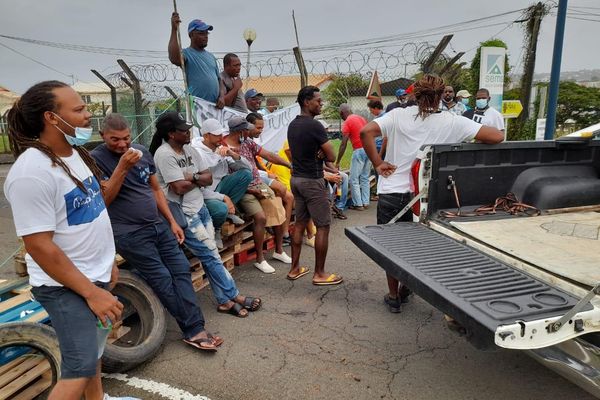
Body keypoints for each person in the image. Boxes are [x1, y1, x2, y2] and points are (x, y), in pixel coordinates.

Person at [4, 81, 138, 400]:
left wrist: (107, 266)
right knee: (78, 367)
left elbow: (94, 211)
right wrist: (91, 292)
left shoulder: (75, 154)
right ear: (51, 117)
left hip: (95, 276)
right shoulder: (31, 173)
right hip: (65, 287)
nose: (87, 114)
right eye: (78, 109)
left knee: (93, 351)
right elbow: (39, 246)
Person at [360, 75, 504, 313]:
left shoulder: (397, 115)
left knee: (391, 247)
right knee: (420, 248)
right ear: (442, 96)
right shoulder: (453, 121)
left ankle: (394, 295)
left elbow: (366, 132)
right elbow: (497, 137)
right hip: (427, 196)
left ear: (415, 94)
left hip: (393, 191)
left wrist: (378, 163)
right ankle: (410, 285)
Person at [91, 113, 223, 351]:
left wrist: (171, 221)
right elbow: (103, 200)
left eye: (126, 138)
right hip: (129, 233)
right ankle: (194, 329)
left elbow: (154, 189)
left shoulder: (141, 151)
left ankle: (195, 325)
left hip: (158, 224)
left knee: (181, 270)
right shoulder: (95, 159)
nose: (122, 144)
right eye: (114, 140)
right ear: (103, 136)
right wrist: (122, 167)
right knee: (162, 279)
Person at [145, 112, 262, 317]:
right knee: (210, 254)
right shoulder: (164, 154)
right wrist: (197, 179)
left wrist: (194, 177)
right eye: (183, 129)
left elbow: (207, 178)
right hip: (184, 213)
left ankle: (225, 299)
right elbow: (179, 188)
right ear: (172, 134)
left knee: (212, 256)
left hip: (200, 207)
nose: (189, 132)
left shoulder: (189, 150)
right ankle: (232, 295)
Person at [287, 85, 343, 285]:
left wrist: (319, 151)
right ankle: (320, 273)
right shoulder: (314, 126)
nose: (321, 104)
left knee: (300, 224)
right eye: (318, 101)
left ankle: (294, 269)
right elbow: (331, 155)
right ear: (306, 102)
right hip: (312, 181)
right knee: (323, 226)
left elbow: (297, 152)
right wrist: (321, 151)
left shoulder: (293, 125)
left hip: (297, 180)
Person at [223, 116, 292, 273]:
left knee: (278, 207)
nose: (250, 131)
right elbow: (226, 179)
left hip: (258, 183)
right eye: (247, 129)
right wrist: (251, 190)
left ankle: (279, 251)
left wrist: (288, 164)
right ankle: (260, 259)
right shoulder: (224, 148)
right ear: (240, 131)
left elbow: (268, 155)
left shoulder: (247, 142)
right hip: (243, 189)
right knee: (260, 217)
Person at [192, 118, 251, 244]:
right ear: (206, 136)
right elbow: (198, 189)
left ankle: (227, 214)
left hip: (219, 186)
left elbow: (248, 168)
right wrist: (223, 197)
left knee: (245, 175)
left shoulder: (220, 148)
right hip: (205, 194)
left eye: (221, 134)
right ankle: (217, 228)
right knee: (221, 209)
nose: (220, 137)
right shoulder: (197, 153)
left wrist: (232, 154)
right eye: (217, 135)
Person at [246, 112, 294, 245]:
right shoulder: (240, 143)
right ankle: (275, 227)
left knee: (288, 197)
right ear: (248, 126)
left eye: (262, 128)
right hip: (253, 180)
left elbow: (261, 160)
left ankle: (284, 233)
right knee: (278, 192)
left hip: (259, 175)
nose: (261, 131)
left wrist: (265, 172)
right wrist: (266, 174)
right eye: (258, 128)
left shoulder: (251, 143)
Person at [169, 13, 224, 108]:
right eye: (201, 33)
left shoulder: (211, 56)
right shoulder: (187, 54)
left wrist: (222, 96)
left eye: (206, 33)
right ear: (191, 35)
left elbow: (220, 81)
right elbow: (174, 58)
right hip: (198, 108)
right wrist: (174, 29)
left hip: (214, 108)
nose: (205, 36)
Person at [335, 104, 371, 211]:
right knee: (365, 177)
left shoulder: (347, 122)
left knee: (353, 179)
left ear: (342, 113)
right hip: (368, 149)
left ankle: (358, 204)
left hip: (359, 150)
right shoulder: (361, 118)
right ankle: (365, 202)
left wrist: (338, 162)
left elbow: (343, 143)